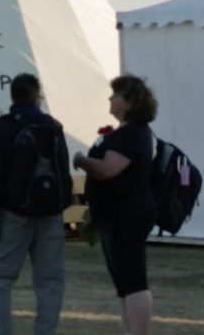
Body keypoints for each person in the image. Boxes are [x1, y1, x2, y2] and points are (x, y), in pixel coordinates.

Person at [0, 73, 72, 335]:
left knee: (0, 279)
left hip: (14, 214)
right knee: (50, 282)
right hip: (50, 215)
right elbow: (62, 173)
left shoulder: (6, 127)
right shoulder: (53, 128)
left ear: (13, 96)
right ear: (35, 96)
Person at [74, 74, 159, 335]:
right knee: (123, 283)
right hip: (114, 215)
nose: (110, 99)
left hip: (127, 215)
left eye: (116, 95)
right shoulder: (126, 133)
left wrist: (81, 159)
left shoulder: (132, 133)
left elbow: (108, 169)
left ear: (130, 102)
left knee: (133, 281)